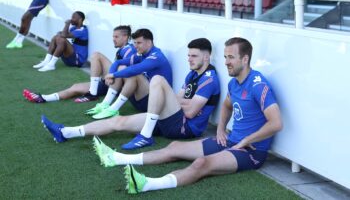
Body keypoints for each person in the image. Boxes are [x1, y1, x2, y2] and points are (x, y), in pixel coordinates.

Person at [92, 37, 283, 194]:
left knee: (202, 163)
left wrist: (246, 140)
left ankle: (147, 184)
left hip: (251, 151)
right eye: (225, 57)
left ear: (245, 59)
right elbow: (226, 106)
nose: (226, 62)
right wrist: (220, 128)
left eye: (231, 57)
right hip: (231, 140)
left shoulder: (258, 84)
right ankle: (117, 158)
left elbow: (276, 123)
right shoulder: (234, 84)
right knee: (174, 147)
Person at [40, 38, 220, 151]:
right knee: (120, 121)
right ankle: (66, 132)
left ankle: (145, 136)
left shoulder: (209, 79)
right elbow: (180, 98)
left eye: (194, 56)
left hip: (184, 128)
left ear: (206, 57)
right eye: (188, 55)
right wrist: (179, 102)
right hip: (171, 119)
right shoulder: (192, 74)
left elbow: (189, 112)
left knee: (157, 80)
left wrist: (176, 102)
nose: (189, 59)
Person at [22, 25, 136, 103]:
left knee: (96, 55)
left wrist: (110, 75)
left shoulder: (129, 49)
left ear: (125, 37)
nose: (113, 39)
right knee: (75, 87)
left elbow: (126, 71)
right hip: (109, 82)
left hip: (118, 85)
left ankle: (93, 94)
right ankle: (43, 98)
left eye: (116, 37)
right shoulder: (123, 49)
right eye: (113, 36)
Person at [84, 28, 173, 119]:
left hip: (154, 103)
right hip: (141, 99)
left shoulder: (157, 56)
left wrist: (113, 75)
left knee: (134, 74)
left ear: (149, 42)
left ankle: (113, 109)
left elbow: (135, 69)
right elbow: (118, 63)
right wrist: (110, 75)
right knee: (122, 68)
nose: (135, 46)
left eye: (139, 43)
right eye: (134, 43)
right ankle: (105, 104)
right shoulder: (142, 54)